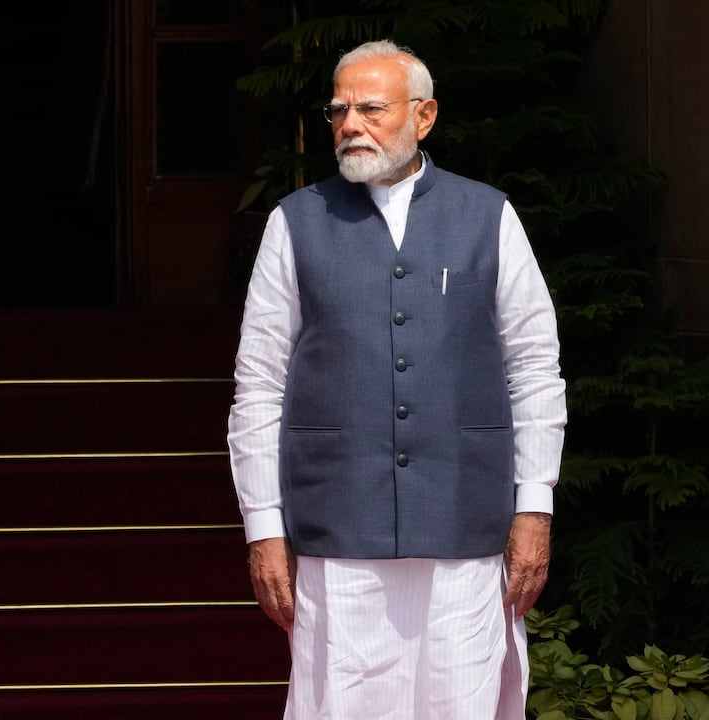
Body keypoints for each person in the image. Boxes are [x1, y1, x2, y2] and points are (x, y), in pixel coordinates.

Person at [227, 39, 567, 719]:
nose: (350, 123)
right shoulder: (294, 223)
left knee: (460, 699)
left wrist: (535, 507)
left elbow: (534, 365)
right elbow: (259, 381)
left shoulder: (488, 215)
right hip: (337, 524)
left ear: (425, 115)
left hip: (464, 521)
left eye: (371, 108)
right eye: (339, 110)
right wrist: (263, 526)